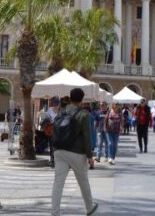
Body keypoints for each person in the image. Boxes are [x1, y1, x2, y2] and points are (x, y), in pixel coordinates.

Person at [50, 88, 99, 216]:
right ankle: (89, 208)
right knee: (83, 181)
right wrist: (90, 155)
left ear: (70, 98)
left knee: (58, 182)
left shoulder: (61, 111)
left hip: (59, 150)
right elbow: (87, 136)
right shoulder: (84, 114)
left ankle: (55, 212)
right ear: (82, 100)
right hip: (77, 152)